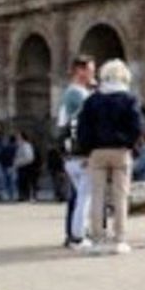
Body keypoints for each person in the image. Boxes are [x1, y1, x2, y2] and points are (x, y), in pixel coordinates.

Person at [76, 59, 145, 254]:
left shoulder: (92, 100)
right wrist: (129, 145)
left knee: (97, 195)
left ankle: (97, 238)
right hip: (121, 151)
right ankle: (119, 239)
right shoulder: (129, 99)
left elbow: (83, 128)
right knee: (120, 195)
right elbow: (137, 127)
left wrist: (87, 149)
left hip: (97, 151)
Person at [57, 56, 97, 249]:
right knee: (83, 196)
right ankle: (77, 235)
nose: (93, 74)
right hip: (79, 151)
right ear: (79, 71)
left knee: (78, 195)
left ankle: (74, 233)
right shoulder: (77, 94)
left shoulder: (75, 92)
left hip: (71, 150)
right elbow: (85, 120)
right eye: (90, 70)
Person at [14, 131, 38, 201]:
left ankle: (25, 196)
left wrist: (18, 162)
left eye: (18, 136)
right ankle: (22, 196)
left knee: (25, 182)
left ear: (22, 137)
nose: (17, 138)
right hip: (21, 167)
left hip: (25, 167)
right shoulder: (19, 146)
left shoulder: (26, 145)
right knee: (21, 183)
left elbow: (29, 157)